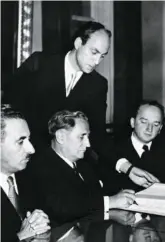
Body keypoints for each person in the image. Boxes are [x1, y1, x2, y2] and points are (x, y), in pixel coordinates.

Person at [25, 110, 136, 242]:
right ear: (61, 137)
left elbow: (91, 199)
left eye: (88, 137)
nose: (88, 144)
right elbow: (62, 209)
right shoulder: (39, 166)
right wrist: (111, 202)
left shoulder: (83, 163)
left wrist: (112, 207)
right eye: (82, 137)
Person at [3, 21, 111, 155]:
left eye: (102, 56)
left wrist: (124, 165)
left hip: (65, 162)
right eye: (94, 52)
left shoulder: (98, 84)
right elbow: (8, 109)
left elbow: (97, 133)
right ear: (78, 43)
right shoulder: (39, 64)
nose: (97, 61)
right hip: (25, 153)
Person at [1, 104, 50, 242]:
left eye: (29, 140)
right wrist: (20, 237)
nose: (31, 149)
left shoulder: (29, 176)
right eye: (21, 141)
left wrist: (41, 221)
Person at [114, 100, 164, 191]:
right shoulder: (113, 150)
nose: (149, 129)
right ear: (132, 122)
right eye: (144, 122)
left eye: (156, 124)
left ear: (160, 128)